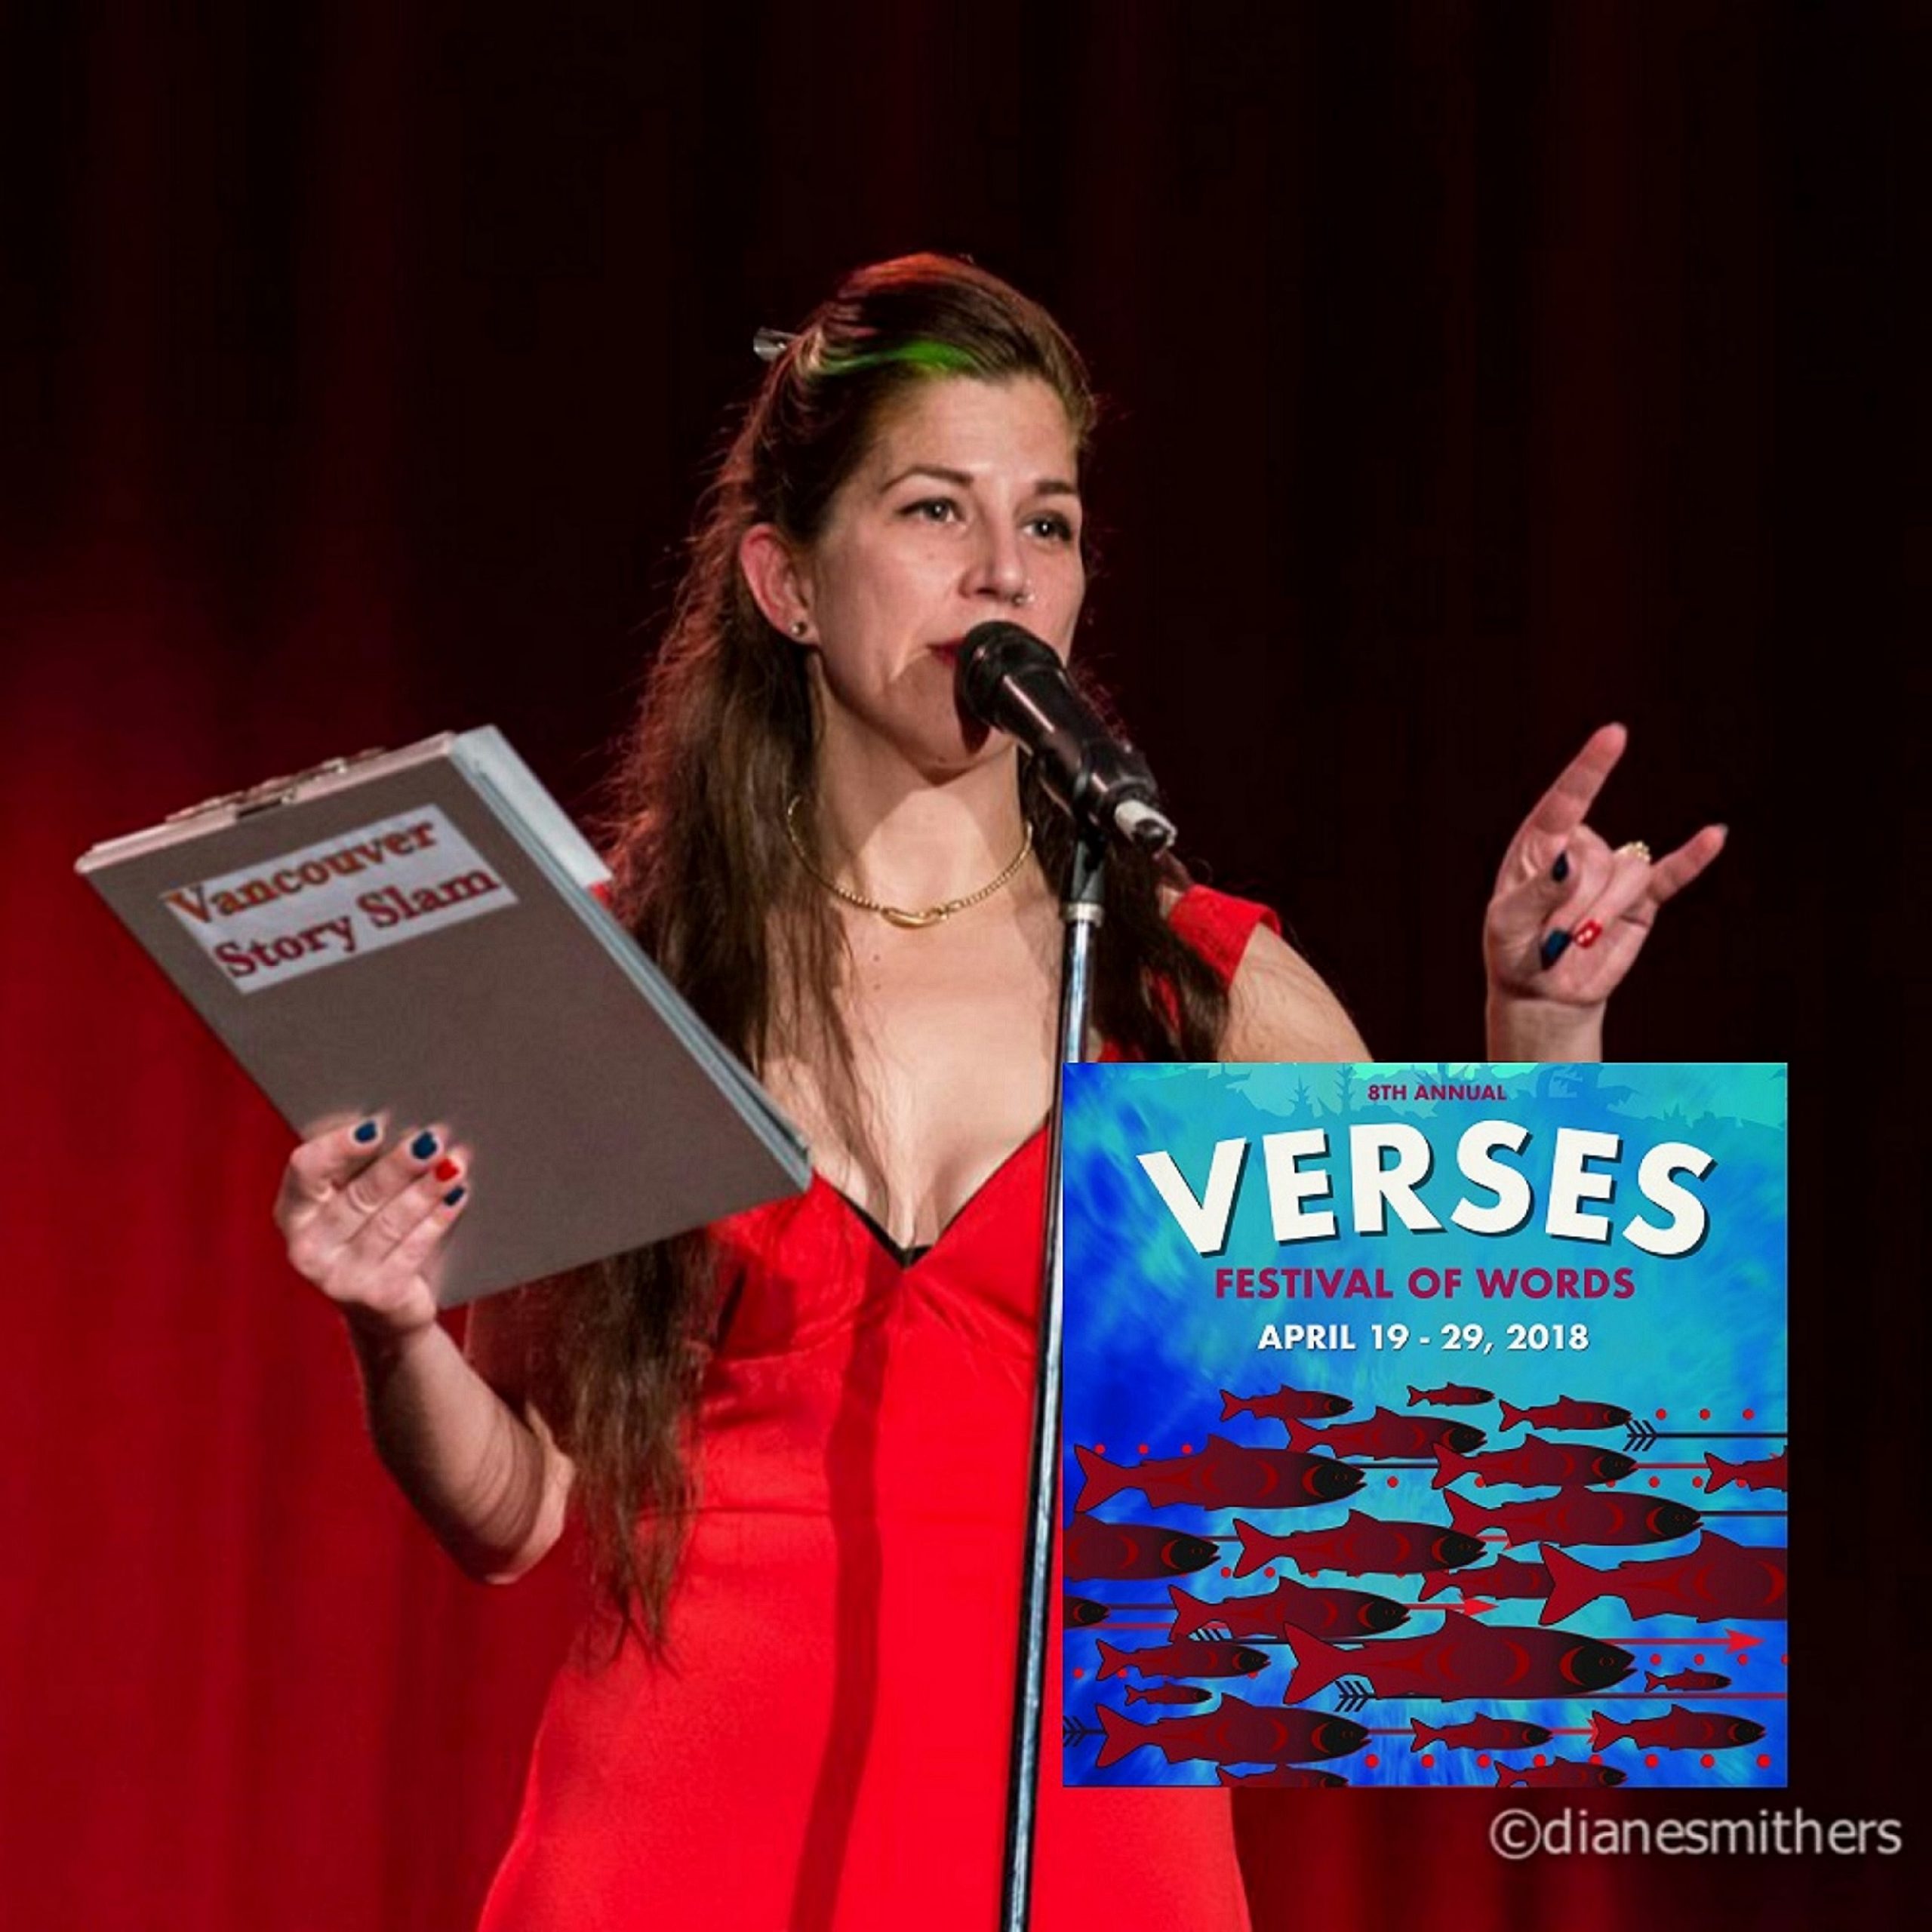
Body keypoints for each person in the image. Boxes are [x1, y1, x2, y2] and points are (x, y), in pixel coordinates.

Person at [273, 254, 1724, 1929]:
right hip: (680, 1839)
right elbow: (517, 1510)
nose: (998, 573)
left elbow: (1494, 1451)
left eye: (1046, 523)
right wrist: (391, 1324)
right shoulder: (636, 971)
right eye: (932, 511)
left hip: (1091, 1850)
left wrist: (1536, 1029)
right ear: (786, 581)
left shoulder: (1199, 984)